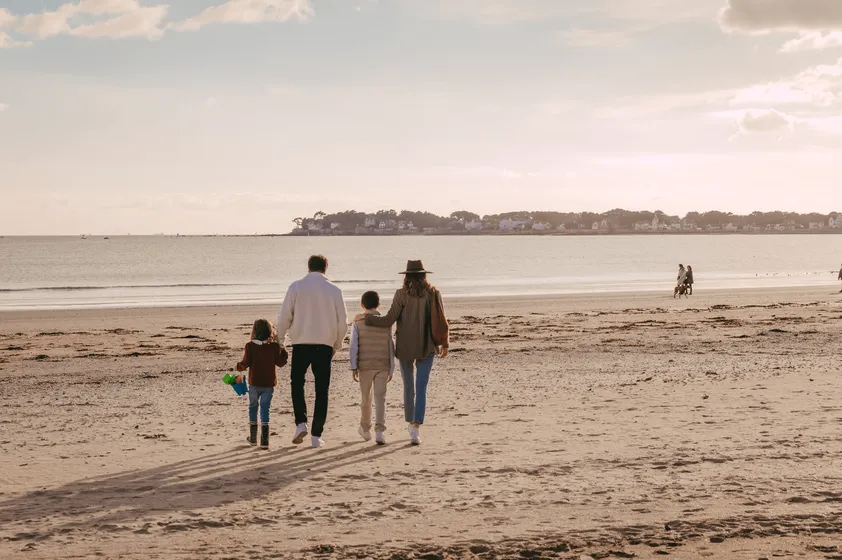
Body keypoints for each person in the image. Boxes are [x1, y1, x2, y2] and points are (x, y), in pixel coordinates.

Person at [366, 260, 449, 446]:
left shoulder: (401, 294)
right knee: (421, 387)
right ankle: (415, 427)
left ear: (406, 276)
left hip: (405, 347)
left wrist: (368, 319)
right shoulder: (433, 293)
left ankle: (411, 421)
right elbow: (442, 320)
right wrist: (445, 344)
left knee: (409, 386)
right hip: (427, 346)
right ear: (424, 275)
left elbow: (389, 320)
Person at [277, 255, 348, 449]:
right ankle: (317, 435)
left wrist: (280, 340)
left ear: (308, 268)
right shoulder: (334, 290)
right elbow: (342, 322)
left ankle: (301, 423)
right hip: (324, 345)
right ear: (325, 269)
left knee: (297, 384)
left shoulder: (296, 287)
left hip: (301, 343)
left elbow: (285, 316)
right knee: (322, 390)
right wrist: (337, 344)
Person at [349, 291, 395, 445]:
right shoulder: (385, 322)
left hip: (365, 366)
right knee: (380, 398)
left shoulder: (358, 322)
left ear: (362, 305)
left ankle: (365, 427)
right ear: (379, 304)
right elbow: (390, 345)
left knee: (366, 398)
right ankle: (380, 431)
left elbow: (353, 346)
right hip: (382, 365)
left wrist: (354, 366)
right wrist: (391, 368)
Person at [235, 319, 288, 450]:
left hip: (254, 383)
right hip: (268, 384)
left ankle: (253, 439)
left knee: (253, 407)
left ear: (254, 331)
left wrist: (238, 367)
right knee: (265, 409)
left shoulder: (250, 346)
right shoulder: (274, 347)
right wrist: (282, 347)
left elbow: (245, 363)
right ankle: (265, 441)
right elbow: (281, 363)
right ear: (270, 332)